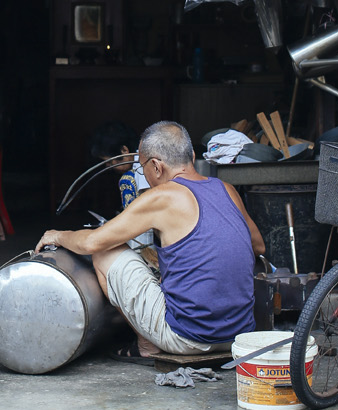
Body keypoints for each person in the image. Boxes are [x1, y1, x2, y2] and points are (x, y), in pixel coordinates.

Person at [35, 120, 265, 362]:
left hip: (188, 339)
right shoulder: (226, 189)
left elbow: (92, 242)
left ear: (156, 166)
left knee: (105, 253)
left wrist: (57, 235)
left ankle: (147, 344)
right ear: (192, 155)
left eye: (143, 166)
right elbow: (259, 247)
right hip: (239, 337)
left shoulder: (162, 196)